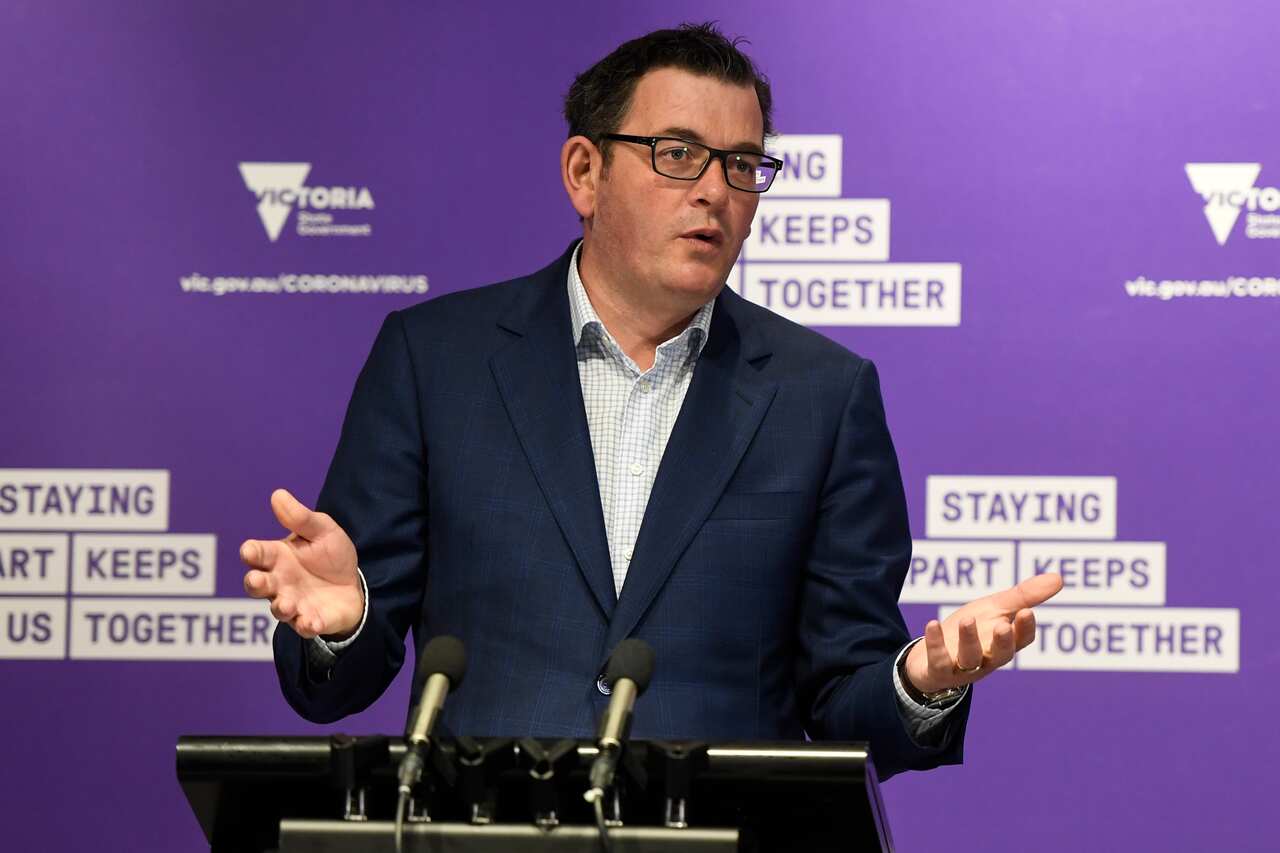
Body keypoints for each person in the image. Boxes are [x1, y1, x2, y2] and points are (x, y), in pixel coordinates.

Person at [240, 23, 1062, 780]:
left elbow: (846, 699)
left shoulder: (823, 396)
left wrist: (920, 681)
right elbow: (336, 685)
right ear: (584, 173)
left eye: (743, 164)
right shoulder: (434, 362)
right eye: (678, 153)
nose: (716, 191)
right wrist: (340, 627)